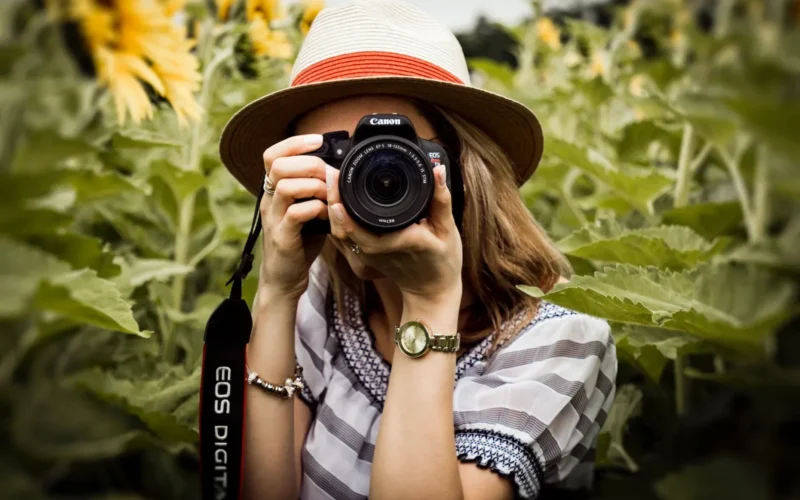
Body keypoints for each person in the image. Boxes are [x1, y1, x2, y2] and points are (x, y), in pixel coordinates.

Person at [218, 1, 617, 499]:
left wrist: (429, 303)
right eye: (337, 156)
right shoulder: (322, 295)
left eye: (395, 151)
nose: (366, 180)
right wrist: (276, 294)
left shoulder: (563, 339)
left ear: (465, 171)